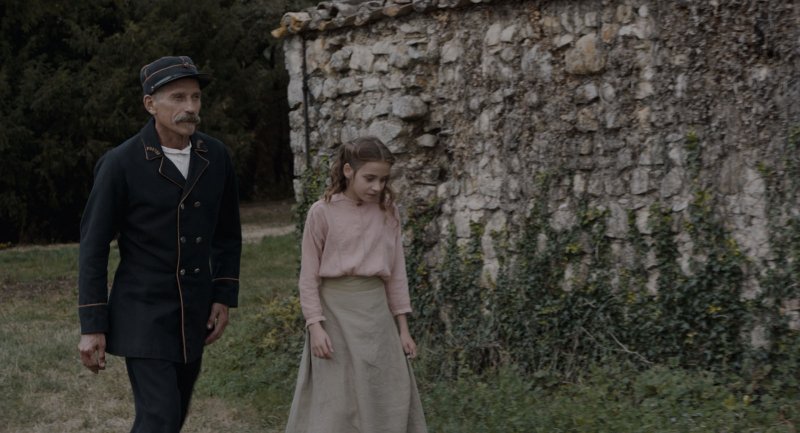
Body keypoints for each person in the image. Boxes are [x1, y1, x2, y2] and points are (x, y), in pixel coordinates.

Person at [77, 55, 242, 433]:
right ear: (150, 104)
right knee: (160, 418)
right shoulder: (121, 163)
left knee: (173, 416)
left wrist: (222, 296)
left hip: (195, 312)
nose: (190, 107)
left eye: (196, 97)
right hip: (143, 312)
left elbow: (228, 235)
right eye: (178, 97)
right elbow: (93, 247)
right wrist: (92, 324)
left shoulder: (216, 156)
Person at [285, 136, 428, 433]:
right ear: (348, 171)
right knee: (338, 398)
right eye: (370, 178)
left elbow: (396, 272)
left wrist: (403, 329)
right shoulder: (322, 212)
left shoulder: (388, 210)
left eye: (383, 180)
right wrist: (315, 325)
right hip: (335, 314)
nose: (377, 187)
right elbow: (308, 277)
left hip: (377, 315)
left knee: (384, 391)